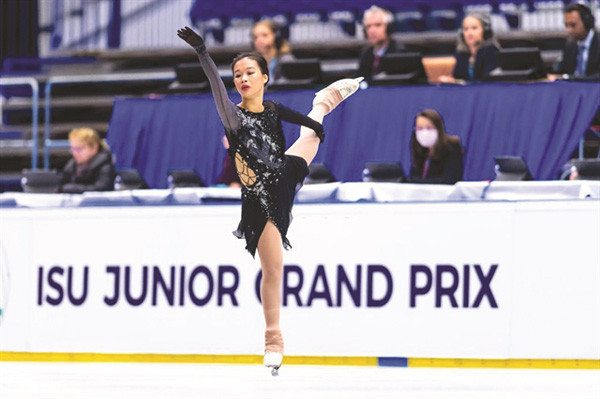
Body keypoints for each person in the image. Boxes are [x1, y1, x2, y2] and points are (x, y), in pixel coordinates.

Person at [177, 26, 362, 374]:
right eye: (237, 75)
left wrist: (314, 122)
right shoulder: (233, 116)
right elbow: (215, 85)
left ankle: (324, 102)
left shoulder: (274, 109)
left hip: (285, 174)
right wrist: (202, 50)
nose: (243, 79)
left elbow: (298, 122)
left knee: (311, 134)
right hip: (260, 198)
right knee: (273, 268)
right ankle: (273, 340)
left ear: (264, 76)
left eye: (250, 73)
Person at [439, 14, 500, 83]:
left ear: (485, 31)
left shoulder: (492, 51)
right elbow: (457, 77)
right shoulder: (460, 54)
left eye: (474, 28)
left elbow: (487, 81)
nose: (469, 33)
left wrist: (460, 82)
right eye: (466, 29)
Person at [409, 109, 463, 184]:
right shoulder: (420, 150)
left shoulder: (452, 147)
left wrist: (415, 182)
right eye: (419, 128)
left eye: (429, 128)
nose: (424, 132)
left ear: (438, 129)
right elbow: (413, 178)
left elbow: (450, 180)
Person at [551, 3, 600, 80]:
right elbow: (563, 72)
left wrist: (572, 78)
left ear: (587, 23)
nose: (568, 30)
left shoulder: (598, 43)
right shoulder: (570, 46)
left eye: (573, 25)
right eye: (566, 25)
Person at [356, 5, 405, 82]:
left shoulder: (401, 53)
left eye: (377, 25)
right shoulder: (366, 54)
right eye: (368, 26)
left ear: (389, 28)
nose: (372, 31)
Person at [60, 127, 115, 193]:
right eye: (72, 149)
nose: (74, 153)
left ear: (94, 147)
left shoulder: (105, 166)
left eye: (79, 149)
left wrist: (74, 189)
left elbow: (101, 188)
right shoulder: (71, 165)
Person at [251, 19, 294, 84]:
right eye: (255, 37)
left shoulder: (286, 60)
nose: (259, 40)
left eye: (264, 35)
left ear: (276, 37)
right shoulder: (252, 63)